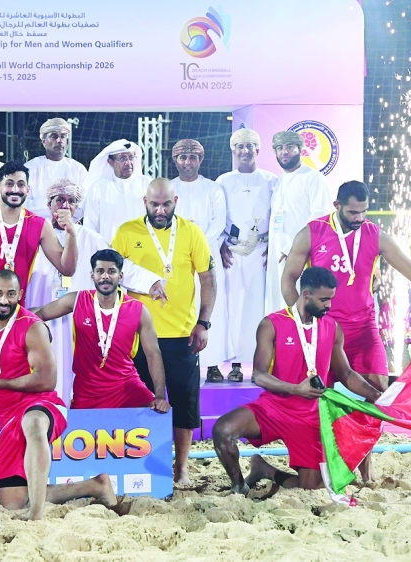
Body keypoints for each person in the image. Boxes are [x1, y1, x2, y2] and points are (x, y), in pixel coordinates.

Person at [212, 267, 384, 496]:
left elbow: (346, 374)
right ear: (306, 295)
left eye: (331, 299)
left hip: (312, 415)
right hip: (275, 406)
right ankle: (238, 486)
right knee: (222, 430)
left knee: (311, 487)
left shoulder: (332, 328)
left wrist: (376, 395)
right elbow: (259, 375)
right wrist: (295, 389)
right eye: (324, 299)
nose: (329, 306)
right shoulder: (272, 323)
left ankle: (264, 470)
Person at [281, 181, 411, 392]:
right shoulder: (312, 232)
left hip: (363, 327)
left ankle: (368, 426)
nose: (359, 218)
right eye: (353, 212)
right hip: (324, 326)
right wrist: (303, 320)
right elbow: (288, 279)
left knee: (379, 388)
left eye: (363, 212)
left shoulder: (374, 234)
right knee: (319, 393)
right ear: (337, 205)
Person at [0, 270, 119, 520]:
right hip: (7, 417)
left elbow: (46, 380)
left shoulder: (31, 327)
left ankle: (36, 517)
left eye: (11, 294)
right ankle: (94, 486)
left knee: (32, 423)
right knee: (12, 504)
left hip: (41, 403)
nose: (4, 300)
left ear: (20, 295)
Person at [111, 179, 216, 486]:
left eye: (166, 204)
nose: (160, 210)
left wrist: (204, 323)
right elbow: (113, 275)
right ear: (144, 201)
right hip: (137, 336)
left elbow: (208, 279)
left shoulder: (192, 232)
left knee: (184, 404)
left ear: (176, 201)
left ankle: (181, 469)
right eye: (154, 204)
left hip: (182, 333)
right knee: (142, 399)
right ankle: (145, 467)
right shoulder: (127, 232)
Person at [22, 179, 164, 401]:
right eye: (60, 201)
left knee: (72, 369)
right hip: (44, 315)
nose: (65, 207)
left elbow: (118, 264)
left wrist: (150, 282)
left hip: (78, 321)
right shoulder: (34, 234)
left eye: (71, 202)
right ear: (50, 204)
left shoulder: (89, 237)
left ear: (77, 207)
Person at [33, 249, 170, 411]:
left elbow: (153, 353)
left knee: (157, 412)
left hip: (127, 387)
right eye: (100, 271)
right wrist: (11, 316)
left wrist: (160, 396)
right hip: (87, 391)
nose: (105, 276)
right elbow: (40, 313)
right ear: (92, 276)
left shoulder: (138, 309)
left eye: (111, 271)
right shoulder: (77, 300)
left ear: (121, 276)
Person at [0, 161, 78, 301]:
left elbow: (67, 269)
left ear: (28, 189)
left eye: (21, 184)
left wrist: (71, 232)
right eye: (9, 184)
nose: (15, 189)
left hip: (15, 310)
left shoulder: (39, 225)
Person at [216, 128, 276, 382]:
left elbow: (277, 217)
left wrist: (275, 244)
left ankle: (262, 363)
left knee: (259, 307)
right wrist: (220, 245)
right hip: (232, 253)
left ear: (258, 150)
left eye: (250, 146)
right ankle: (236, 363)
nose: (245, 151)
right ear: (233, 150)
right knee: (233, 307)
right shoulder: (223, 181)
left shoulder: (271, 180)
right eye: (240, 146)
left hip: (262, 253)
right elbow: (218, 218)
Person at [169, 139, 233, 382]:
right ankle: (184, 359)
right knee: (182, 307)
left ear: (201, 160)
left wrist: (198, 244)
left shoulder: (213, 188)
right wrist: (184, 247)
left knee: (211, 308)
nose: (187, 162)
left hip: (207, 254)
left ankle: (213, 364)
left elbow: (218, 222)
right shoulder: (170, 188)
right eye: (183, 158)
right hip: (177, 257)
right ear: (175, 160)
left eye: (192, 157)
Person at [265, 131, 333, 315]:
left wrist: (293, 248)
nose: (284, 152)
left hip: (300, 255)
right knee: (277, 304)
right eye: (279, 148)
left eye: (289, 147)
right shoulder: (279, 181)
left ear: (300, 150)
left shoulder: (313, 177)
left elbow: (321, 217)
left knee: (299, 302)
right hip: (277, 253)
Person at [83, 140, 152, 243]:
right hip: (110, 252)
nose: (128, 163)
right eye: (122, 158)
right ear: (110, 162)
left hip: (143, 250)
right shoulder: (99, 189)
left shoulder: (146, 184)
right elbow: (90, 227)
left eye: (131, 157)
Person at [24, 117, 87, 219]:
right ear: (44, 142)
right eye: (54, 136)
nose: (59, 141)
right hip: (36, 227)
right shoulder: (30, 168)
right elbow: (23, 203)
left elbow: (83, 204)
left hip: (69, 227)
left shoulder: (78, 169)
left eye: (63, 136)